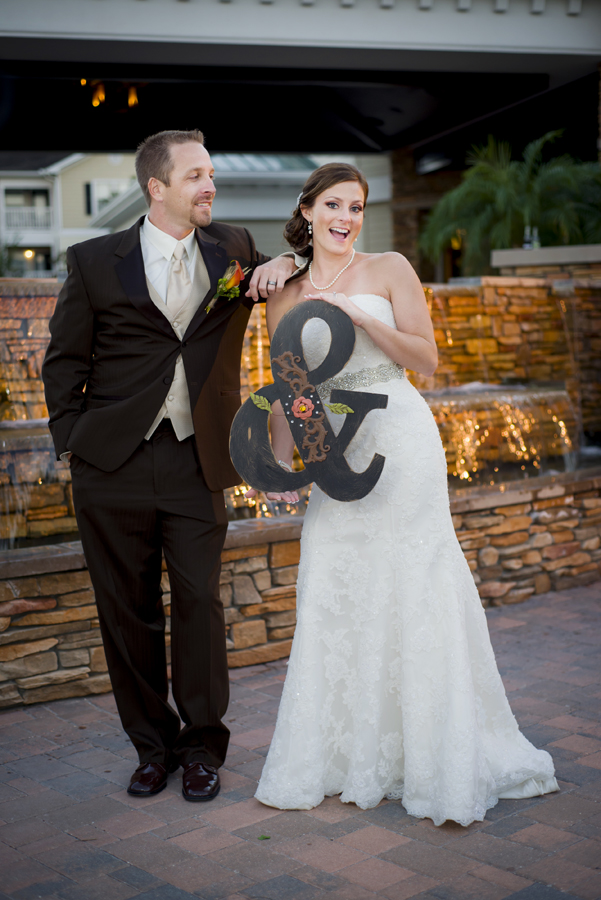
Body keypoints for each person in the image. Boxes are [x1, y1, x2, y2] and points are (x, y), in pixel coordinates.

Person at [253, 162, 558, 826]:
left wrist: (358, 322)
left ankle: (431, 754)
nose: (346, 217)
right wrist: (279, 468)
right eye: (333, 204)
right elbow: (287, 391)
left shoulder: (389, 267)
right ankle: (343, 755)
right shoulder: (283, 290)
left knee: (413, 585)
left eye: (356, 207)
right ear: (306, 211)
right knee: (335, 585)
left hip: (401, 438)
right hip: (335, 453)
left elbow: (425, 359)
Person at [42, 129, 301, 802]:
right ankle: (150, 748)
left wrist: (284, 266)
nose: (208, 185)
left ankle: (202, 748)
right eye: (194, 176)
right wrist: (72, 438)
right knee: (125, 613)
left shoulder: (235, 250)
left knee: (197, 604)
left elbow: (298, 271)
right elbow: (65, 360)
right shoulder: (96, 260)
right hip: (111, 465)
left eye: (210, 173)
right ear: (157, 188)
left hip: (197, 460)